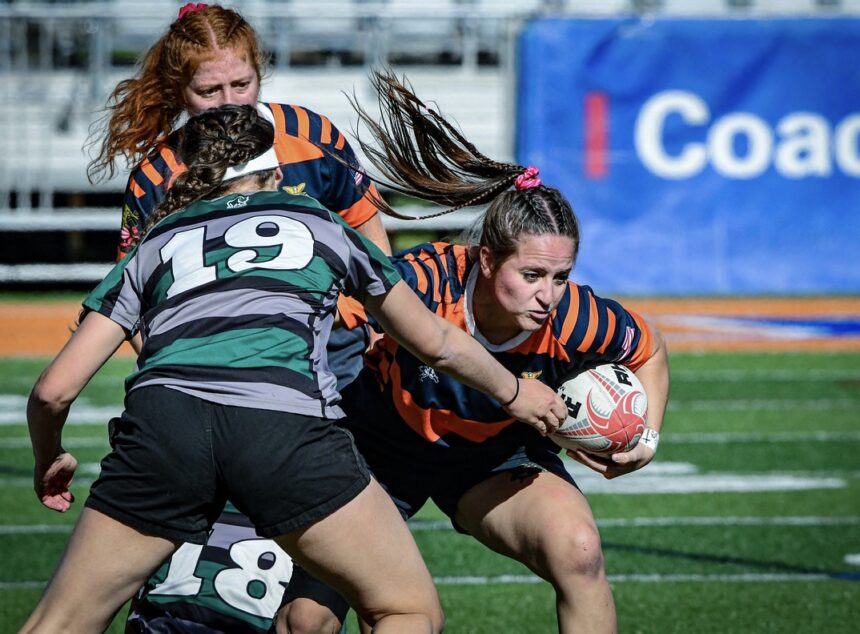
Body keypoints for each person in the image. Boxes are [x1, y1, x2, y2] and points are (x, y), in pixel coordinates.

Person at [21, 104, 568, 634]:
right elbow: (437, 343)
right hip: (283, 426)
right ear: (277, 172)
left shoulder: (156, 241)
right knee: (404, 611)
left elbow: (52, 390)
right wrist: (514, 390)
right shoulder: (320, 222)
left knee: (61, 622)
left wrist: (51, 455)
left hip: (165, 429)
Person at [283, 72, 671, 633]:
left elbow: (650, 349)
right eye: (532, 273)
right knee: (307, 620)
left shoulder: (575, 316)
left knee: (580, 551)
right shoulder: (424, 281)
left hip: (492, 461)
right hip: (378, 448)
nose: (548, 293)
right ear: (487, 261)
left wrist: (649, 437)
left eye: (561, 276)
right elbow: (336, 319)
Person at [88, 4, 391, 631]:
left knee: (324, 595)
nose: (229, 101)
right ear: (179, 91)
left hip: (325, 372)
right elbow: (138, 306)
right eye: (209, 90)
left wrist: (364, 318)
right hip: (205, 391)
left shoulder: (310, 134)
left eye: (241, 84)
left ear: (261, 73)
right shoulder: (158, 175)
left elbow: (368, 231)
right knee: (196, 592)